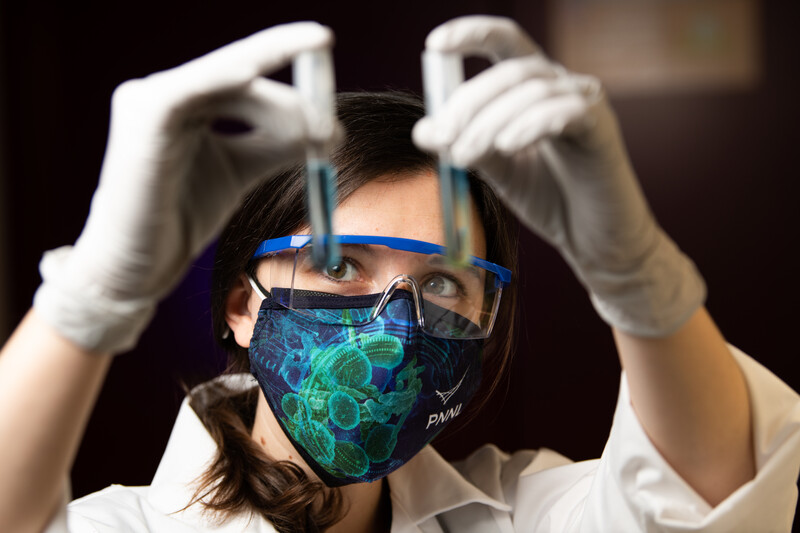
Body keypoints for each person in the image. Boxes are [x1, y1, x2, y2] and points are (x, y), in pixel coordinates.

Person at [0, 15, 798, 533]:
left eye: (445, 283)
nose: (394, 327)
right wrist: (94, 289)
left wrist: (635, 274)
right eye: (341, 262)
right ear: (243, 305)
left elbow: (711, 497)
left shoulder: (525, 514)